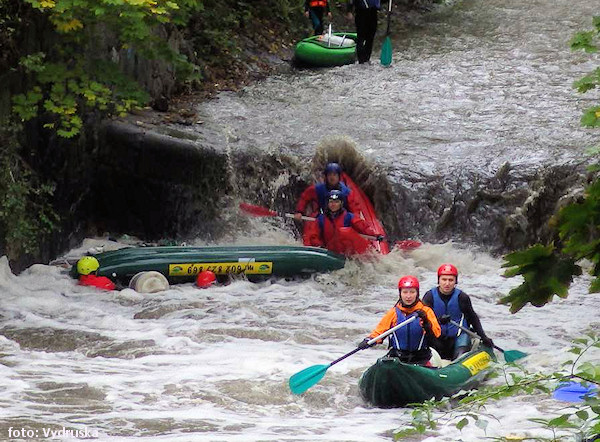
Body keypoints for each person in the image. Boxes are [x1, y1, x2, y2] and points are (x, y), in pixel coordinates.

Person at [358, 275, 441, 365]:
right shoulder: (393, 313)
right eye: (405, 292)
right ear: (400, 293)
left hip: (421, 358)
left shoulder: (426, 311)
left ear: (417, 293)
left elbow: (437, 333)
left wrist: (426, 322)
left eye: (412, 292)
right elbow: (379, 332)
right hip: (398, 357)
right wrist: (368, 340)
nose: (408, 296)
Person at [422, 263, 494, 360]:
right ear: (438, 280)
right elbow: (423, 319)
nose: (447, 283)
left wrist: (483, 336)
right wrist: (438, 320)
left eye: (451, 280)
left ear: (456, 281)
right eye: (444, 279)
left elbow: (473, 318)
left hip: (459, 336)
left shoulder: (462, 297)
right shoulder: (429, 296)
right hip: (437, 338)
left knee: (460, 355)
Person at [304, 190, 382, 253]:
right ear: (327, 204)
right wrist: (319, 247)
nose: (333, 204)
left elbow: (364, 227)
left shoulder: (349, 217)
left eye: (336, 202)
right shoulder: (321, 219)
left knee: (344, 231)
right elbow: (312, 235)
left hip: (347, 251)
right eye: (331, 202)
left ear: (341, 204)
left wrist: (376, 235)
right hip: (330, 251)